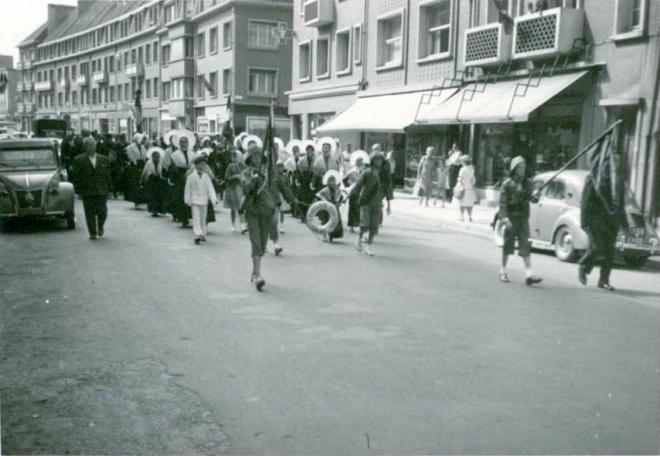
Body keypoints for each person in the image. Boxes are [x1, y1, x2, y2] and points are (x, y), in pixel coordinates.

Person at [578, 170, 627, 291]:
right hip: (595, 221)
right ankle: (583, 266)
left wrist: (624, 223)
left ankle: (604, 280)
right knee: (596, 247)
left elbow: (620, 203)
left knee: (610, 252)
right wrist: (584, 222)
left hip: (611, 221)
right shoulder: (593, 177)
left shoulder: (618, 180)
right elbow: (585, 201)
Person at [499, 156, 542, 285]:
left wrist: (536, 195)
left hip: (523, 218)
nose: (522, 170)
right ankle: (502, 271)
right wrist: (505, 218)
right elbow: (502, 203)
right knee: (508, 246)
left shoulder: (527, 183)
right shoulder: (507, 184)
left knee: (525, 244)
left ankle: (529, 274)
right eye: (520, 168)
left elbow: (532, 199)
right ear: (514, 169)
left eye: (523, 167)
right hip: (511, 217)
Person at [72, 136, 112, 240]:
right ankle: (92, 232)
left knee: (103, 211)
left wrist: (110, 189)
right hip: (87, 190)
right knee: (89, 212)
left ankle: (100, 226)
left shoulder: (103, 159)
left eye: (93, 145)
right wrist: (78, 191)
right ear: (85, 147)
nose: (92, 147)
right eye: (89, 145)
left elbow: (107, 175)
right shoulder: (79, 160)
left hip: (101, 189)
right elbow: (76, 177)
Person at [351, 152, 387, 256]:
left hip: (378, 202)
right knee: (365, 224)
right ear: (372, 160)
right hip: (366, 201)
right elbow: (358, 185)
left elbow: (387, 187)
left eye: (380, 160)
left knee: (374, 226)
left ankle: (368, 246)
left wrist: (388, 202)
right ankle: (359, 238)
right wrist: (353, 195)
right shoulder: (367, 172)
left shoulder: (383, 173)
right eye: (376, 159)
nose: (378, 162)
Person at [185, 155, 218, 245]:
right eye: (202, 165)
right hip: (194, 200)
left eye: (204, 165)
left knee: (203, 218)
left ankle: (202, 234)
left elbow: (210, 188)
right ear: (196, 165)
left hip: (204, 200)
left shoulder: (206, 177)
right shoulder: (191, 176)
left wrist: (214, 199)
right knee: (196, 217)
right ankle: (197, 234)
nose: (204, 167)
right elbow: (188, 188)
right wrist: (187, 199)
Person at [169, 132, 197, 227]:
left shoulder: (192, 153)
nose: (183, 143)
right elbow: (174, 168)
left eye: (185, 142)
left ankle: (190, 216)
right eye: (182, 142)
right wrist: (181, 175)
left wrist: (190, 172)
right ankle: (183, 218)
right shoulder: (175, 154)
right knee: (181, 197)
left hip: (190, 175)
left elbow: (194, 165)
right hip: (180, 177)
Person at [343, 149, 369, 233]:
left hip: (363, 192)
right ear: (355, 162)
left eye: (361, 161)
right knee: (352, 208)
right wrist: (349, 186)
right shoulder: (352, 171)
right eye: (358, 161)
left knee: (362, 209)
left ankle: (361, 225)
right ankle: (351, 225)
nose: (360, 163)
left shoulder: (366, 171)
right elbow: (345, 180)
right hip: (354, 192)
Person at [316, 170, 345, 242]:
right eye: (330, 181)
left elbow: (341, 197)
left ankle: (332, 235)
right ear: (328, 182)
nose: (332, 183)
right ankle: (324, 235)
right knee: (325, 221)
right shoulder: (324, 190)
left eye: (333, 181)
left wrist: (339, 203)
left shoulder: (337, 190)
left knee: (335, 221)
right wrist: (324, 201)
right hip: (327, 208)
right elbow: (319, 196)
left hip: (334, 207)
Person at [140, 147, 169, 217]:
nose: (156, 158)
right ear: (152, 157)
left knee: (159, 195)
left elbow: (166, 169)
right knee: (152, 196)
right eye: (155, 156)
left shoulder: (161, 162)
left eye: (158, 156)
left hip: (159, 179)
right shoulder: (149, 163)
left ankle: (161, 210)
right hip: (151, 180)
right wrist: (142, 180)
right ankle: (153, 210)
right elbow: (144, 172)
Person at [224, 150, 247, 233]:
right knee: (233, 208)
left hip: (240, 188)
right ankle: (233, 224)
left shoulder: (243, 166)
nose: (234, 159)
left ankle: (243, 225)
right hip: (232, 188)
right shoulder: (230, 166)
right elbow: (226, 177)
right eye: (232, 157)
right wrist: (234, 176)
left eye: (235, 156)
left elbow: (246, 175)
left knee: (241, 206)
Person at [295, 142, 317, 221]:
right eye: (308, 151)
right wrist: (298, 180)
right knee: (303, 198)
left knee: (310, 199)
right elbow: (297, 171)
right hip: (303, 180)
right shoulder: (301, 160)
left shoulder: (316, 160)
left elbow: (316, 172)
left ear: (313, 152)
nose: (309, 152)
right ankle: (303, 216)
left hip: (312, 179)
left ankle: (309, 215)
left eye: (311, 151)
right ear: (306, 151)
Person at [456, 155, 477, 222]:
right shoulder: (472, 169)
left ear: (464, 162)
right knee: (470, 203)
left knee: (462, 203)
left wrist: (459, 186)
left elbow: (460, 179)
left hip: (463, 188)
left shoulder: (462, 169)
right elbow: (473, 179)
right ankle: (470, 217)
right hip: (470, 188)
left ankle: (461, 216)